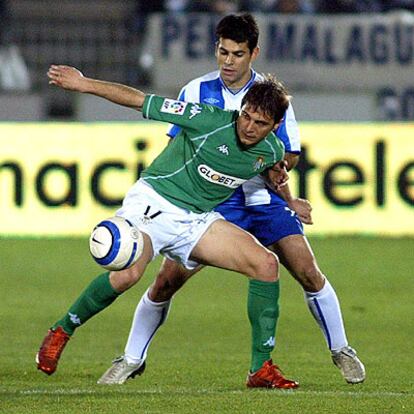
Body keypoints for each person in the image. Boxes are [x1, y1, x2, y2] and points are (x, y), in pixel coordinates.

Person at [97, 13, 365, 387]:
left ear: (253, 53)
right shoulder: (196, 90)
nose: (227, 61)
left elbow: (290, 153)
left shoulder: (272, 97)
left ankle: (341, 349)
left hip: (262, 201)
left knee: (307, 269)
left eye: (237, 54)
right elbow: (178, 144)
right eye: (223, 52)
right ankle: (131, 358)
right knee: (165, 282)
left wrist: (280, 172)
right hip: (212, 205)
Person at [36, 65, 291, 385]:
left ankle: (260, 369)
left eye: (261, 123)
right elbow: (140, 100)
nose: (250, 127)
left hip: (197, 220)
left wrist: (278, 181)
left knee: (266, 264)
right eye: (247, 116)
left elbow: (269, 167)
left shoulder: (272, 150)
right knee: (128, 273)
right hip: (154, 203)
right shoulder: (206, 119)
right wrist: (84, 84)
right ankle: (63, 329)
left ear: (275, 125)